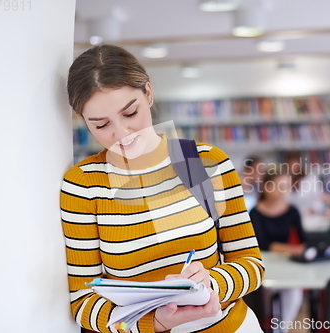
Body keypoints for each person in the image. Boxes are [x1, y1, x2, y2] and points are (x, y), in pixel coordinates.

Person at [61, 44, 264, 333]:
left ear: (148, 93)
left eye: (130, 113)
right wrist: (153, 322)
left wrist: (213, 283)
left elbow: (251, 263)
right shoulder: (84, 184)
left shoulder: (200, 161)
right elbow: (82, 301)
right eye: (101, 124)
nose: (122, 134)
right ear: (83, 121)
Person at [249, 168, 306, 332]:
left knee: (294, 291)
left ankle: (281, 329)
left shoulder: (293, 211)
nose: (284, 191)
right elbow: (261, 243)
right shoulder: (255, 213)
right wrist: (289, 249)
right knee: (260, 294)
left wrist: (299, 250)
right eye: (279, 186)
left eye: (287, 186)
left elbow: (304, 241)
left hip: (286, 265)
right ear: (267, 187)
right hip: (264, 265)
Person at [283, 151, 330, 233]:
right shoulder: (283, 180)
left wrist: (314, 209)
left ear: (300, 164)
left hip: (310, 219)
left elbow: (319, 199)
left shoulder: (311, 178)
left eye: (295, 165)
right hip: (290, 221)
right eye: (290, 165)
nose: (293, 168)